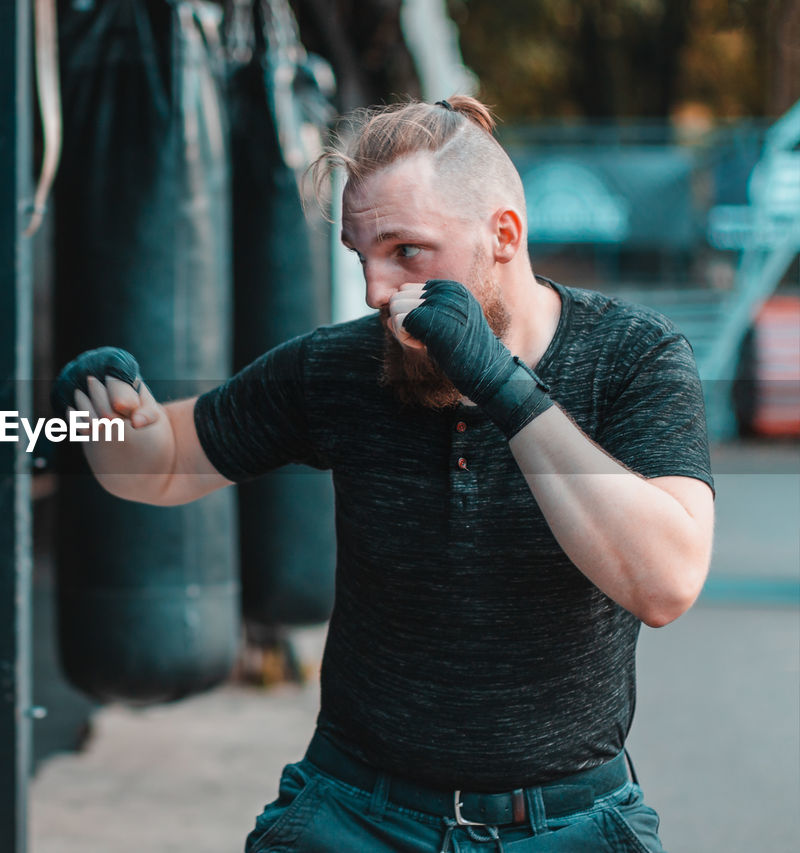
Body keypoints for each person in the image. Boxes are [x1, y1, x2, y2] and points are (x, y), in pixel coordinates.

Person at [52, 95, 714, 852]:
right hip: (355, 814)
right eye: (361, 257)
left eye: (407, 252)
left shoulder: (636, 357)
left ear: (503, 235)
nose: (376, 291)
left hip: (569, 823)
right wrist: (98, 415)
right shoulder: (342, 365)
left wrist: (498, 382)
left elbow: (666, 581)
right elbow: (162, 463)